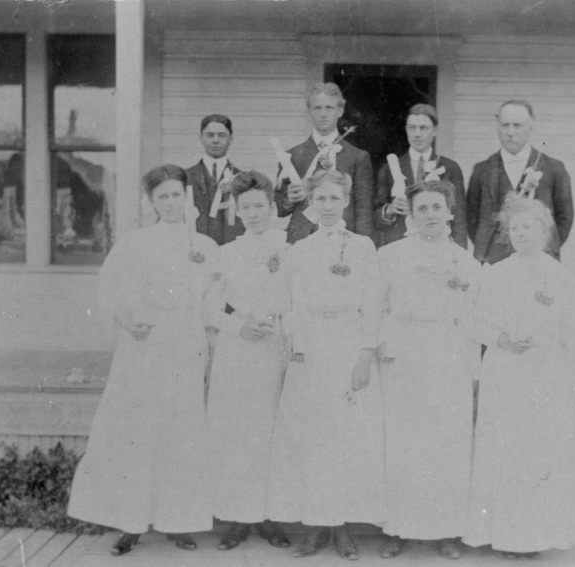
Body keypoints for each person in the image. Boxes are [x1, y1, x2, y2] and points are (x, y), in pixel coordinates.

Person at [67, 165, 219, 556]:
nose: (171, 203)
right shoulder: (135, 243)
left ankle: (176, 521)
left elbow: (212, 304)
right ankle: (130, 524)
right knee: (137, 432)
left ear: (188, 197)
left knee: (180, 434)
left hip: (186, 348)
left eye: (176, 195)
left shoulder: (204, 246)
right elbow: (112, 291)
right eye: (162, 196)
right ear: (150, 202)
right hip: (145, 348)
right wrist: (128, 321)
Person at [463, 196, 575, 558]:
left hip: (544, 373)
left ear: (544, 231)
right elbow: (474, 321)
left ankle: (538, 535)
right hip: (505, 370)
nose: (521, 233)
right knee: (507, 449)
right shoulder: (494, 273)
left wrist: (555, 352)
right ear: (507, 235)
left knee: (538, 450)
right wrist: (502, 339)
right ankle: (505, 535)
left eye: (528, 227)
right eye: (515, 228)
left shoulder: (561, 277)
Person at [266, 169, 385, 560]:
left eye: (335, 199)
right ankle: (317, 526)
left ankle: (344, 526)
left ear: (347, 201)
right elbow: (294, 302)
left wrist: (365, 355)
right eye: (321, 200)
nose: (328, 206)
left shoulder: (364, 246)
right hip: (312, 348)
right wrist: (297, 345)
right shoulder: (299, 249)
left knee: (346, 437)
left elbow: (373, 303)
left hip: (349, 344)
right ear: (310, 204)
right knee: (312, 436)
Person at [376, 180, 480, 560]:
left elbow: (471, 320)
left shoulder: (464, 262)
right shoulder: (390, 255)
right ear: (412, 215)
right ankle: (397, 528)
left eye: (437, 207)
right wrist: (386, 345)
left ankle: (445, 530)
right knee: (404, 441)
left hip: (447, 352)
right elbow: (379, 306)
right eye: (422, 209)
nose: (430, 215)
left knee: (445, 443)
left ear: (450, 212)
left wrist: (472, 371)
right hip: (404, 352)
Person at [204, 170, 291, 550]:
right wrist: (239, 326)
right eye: (246, 208)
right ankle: (238, 517)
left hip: (276, 349)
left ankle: (268, 516)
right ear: (236, 211)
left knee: (271, 431)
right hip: (238, 354)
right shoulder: (228, 253)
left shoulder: (290, 248)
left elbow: (300, 298)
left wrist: (277, 322)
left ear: (272, 207)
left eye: (260, 206)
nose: (253, 214)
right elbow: (209, 309)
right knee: (239, 433)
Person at [467, 100, 574, 264]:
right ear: (497, 126)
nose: (510, 132)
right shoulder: (482, 170)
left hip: (539, 257)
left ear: (531, 127)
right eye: (505, 125)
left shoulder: (554, 169)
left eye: (517, 125)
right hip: (491, 258)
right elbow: (471, 217)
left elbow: (564, 218)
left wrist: (545, 245)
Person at [274, 83, 374, 243]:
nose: (323, 114)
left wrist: (362, 245)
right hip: (302, 239)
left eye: (329, 108)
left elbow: (364, 210)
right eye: (317, 108)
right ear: (309, 112)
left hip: (344, 238)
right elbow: (278, 207)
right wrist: (290, 200)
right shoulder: (292, 156)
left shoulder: (357, 157)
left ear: (340, 111)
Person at [374, 104, 468, 248]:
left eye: (423, 128)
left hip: (439, 245)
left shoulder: (450, 168)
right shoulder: (390, 168)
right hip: (401, 244)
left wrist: (459, 253)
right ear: (406, 129)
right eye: (412, 128)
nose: (417, 134)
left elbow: (459, 219)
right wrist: (390, 209)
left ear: (435, 130)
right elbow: (376, 217)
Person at [186, 114, 245, 245]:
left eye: (222, 135)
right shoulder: (186, 177)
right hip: (197, 250)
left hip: (232, 249)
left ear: (231, 139)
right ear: (201, 138)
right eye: (210, 135)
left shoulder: (243, 179)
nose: (216, 140)